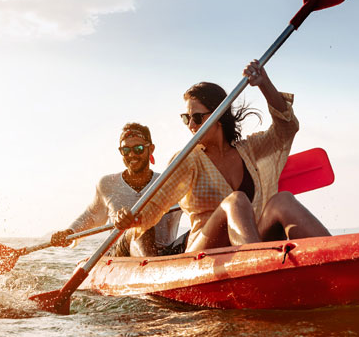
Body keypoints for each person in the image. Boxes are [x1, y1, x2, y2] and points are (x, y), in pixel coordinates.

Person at [116, 60, 330, 252]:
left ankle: (337, 254)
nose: (191, 125)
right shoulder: (187, 159)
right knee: (235, 201)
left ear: (219, 115)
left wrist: (264, 84)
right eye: (186, 118)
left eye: (198, 118)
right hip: (205, 249)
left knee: (282, 200)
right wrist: (129, 218)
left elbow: (287, 127)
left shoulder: (249, 149)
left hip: (250, 241)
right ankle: (254, 266)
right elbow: (155, 206)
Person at [50, 123, 181, 257]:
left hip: (165, 253)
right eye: (125, 150)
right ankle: (150, 268)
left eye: (138, 149)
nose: (131, 155)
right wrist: (69, 233)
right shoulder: (107, 184)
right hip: (122, 253)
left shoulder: (170, 183)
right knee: (141, 227)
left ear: (151, 149)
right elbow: (91, 216)